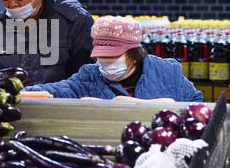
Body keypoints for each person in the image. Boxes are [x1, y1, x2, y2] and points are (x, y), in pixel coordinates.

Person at [25, 16, 203, 102]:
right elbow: (57, 90)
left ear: (134, 54)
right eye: (101, 57)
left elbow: (195, 103)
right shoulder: (89, 76)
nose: (105, 63)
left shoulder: (167, 72)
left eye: (112, 56)